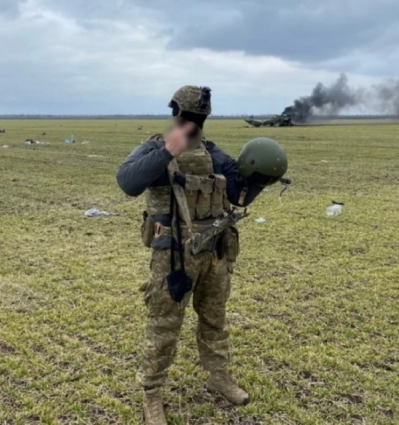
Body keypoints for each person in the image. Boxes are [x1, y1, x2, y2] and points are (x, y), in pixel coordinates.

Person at [116, 86, 288, 425]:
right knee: (164, 323)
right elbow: (128, 182)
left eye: (199, 116)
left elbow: (239, 194)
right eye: (190, 115)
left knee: (214, 318)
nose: (194, 121)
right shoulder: (154, 147)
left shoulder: (213, 153)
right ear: (176, 112)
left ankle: (218, 376)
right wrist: (167, 150)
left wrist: (262, 176)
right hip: (174, 255)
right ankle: (152, 393)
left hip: (215, 251)